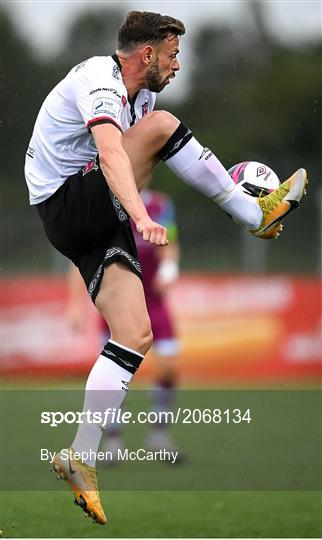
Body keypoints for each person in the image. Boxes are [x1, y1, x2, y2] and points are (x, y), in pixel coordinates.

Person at [24, 11, 308, 525]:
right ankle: (254, 213)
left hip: (88, 218)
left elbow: (132, 159)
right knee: (163, 127)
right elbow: (113, 154)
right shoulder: (99, 80)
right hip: (66, 202)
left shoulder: (142, 95)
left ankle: (81, 455)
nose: (178, 65)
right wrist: (141, 216)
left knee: (135, 333)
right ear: (147, 53)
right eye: (173, 54)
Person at [67, 188, 182, 460]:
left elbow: (171, 243)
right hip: (117, 304)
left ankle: (159, 435)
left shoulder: (160, 204)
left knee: (169, 369)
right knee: (116, 375)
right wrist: (74, 304)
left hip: (154, 302)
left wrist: (169, 269)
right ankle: (114, 440)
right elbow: (78, 259)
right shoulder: (103, 204)